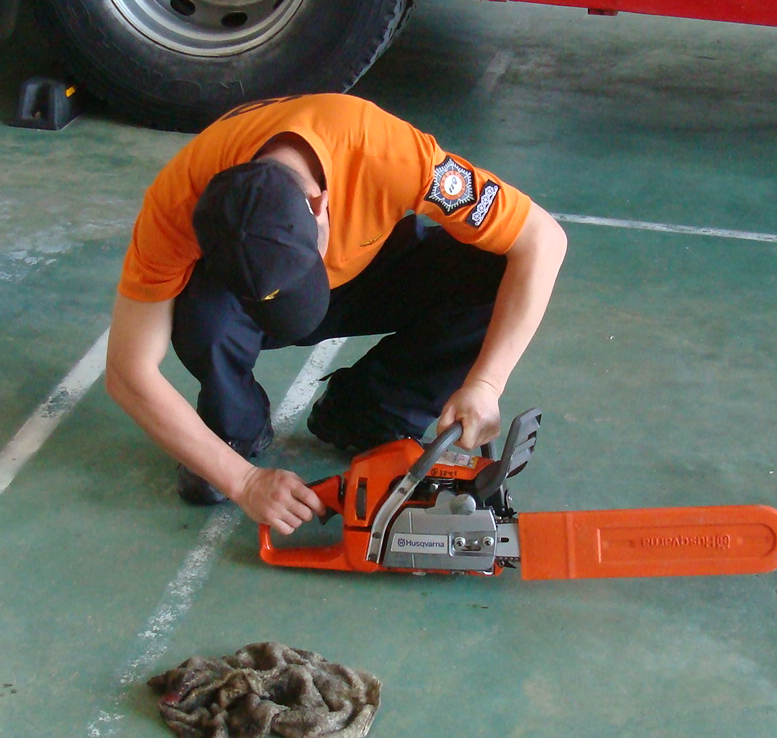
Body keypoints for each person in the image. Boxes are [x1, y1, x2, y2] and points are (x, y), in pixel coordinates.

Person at [104, 93, 567, 535]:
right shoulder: (176, 202)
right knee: (202, 318)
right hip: (243, 311)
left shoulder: (387, 153)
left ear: (319, 203)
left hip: (370, 269)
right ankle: (234, 430)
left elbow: (543, 240)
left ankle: (369, 412)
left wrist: (486, 384)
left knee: (494, 267)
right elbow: (128, 371)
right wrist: (241, 479)